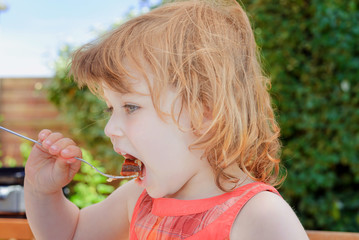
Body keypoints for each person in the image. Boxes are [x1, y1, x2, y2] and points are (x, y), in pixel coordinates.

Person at [24, 0, 309, 239]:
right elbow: (71, 235)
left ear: (205, 109)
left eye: (131, 107)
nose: (110, 129)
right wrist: (41, 191)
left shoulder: (260, 216)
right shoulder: (138, 200)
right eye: (111, 109)